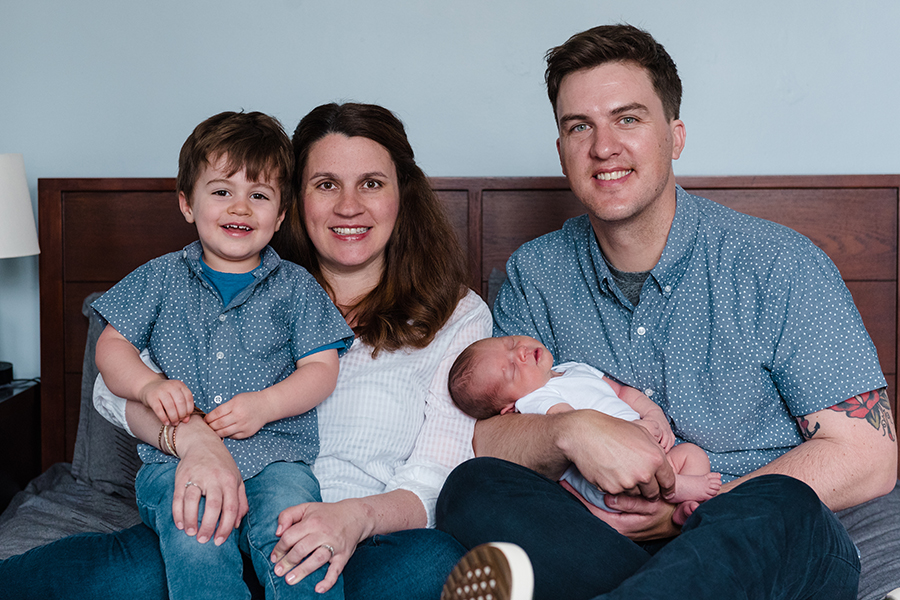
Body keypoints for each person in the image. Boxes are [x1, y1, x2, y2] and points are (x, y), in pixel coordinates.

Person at [436, 24, 897, 600]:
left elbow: (868, 455)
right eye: (579, 126)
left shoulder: (778, 263)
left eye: (628, 119)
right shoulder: (537, 272)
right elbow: (492, 435)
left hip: (755, 534)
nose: (603, 147)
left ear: (675, 137)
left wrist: (687, 512)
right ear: (561, 152)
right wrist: (572, 429)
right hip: (610, 539)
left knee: (779, 502)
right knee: (471, 486)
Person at [0, 102, 493, 600]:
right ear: (296, 201)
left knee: (434, 562)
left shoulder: (456, 315)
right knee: (130, 572)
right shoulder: (234, 275)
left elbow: (436, 474)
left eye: (371, 183)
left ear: (402, 194)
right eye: (326, 184)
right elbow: (112, 388)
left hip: (347, 537)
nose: (349, 206)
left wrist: (353, 519)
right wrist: (193, 440)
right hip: (209, 506)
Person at [91, 110, 355, 600]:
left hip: (276, 460)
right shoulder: (159, 277)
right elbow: (111, 348)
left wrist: (266, 405)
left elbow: (322, 369)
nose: (240, 207)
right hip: (176, 462)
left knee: (297, 540)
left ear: (280, 216)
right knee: (197, 535)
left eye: (259, 196)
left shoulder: (297, 287)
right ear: (187, 204)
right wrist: (149, 385)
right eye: (221, 191)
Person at [448, 335, 720, 524]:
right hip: (610, 476)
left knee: (693, 455)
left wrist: (653, 414)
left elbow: (622, 392)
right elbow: (578, 426)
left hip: (650, 447)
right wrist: (634, 432)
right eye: (511, 369)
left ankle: (679, 510)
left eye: (509, 343)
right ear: (509, 408)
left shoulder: (572, 368)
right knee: (667, 473)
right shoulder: (534, 400)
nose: (520, 352)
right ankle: (674, 490)